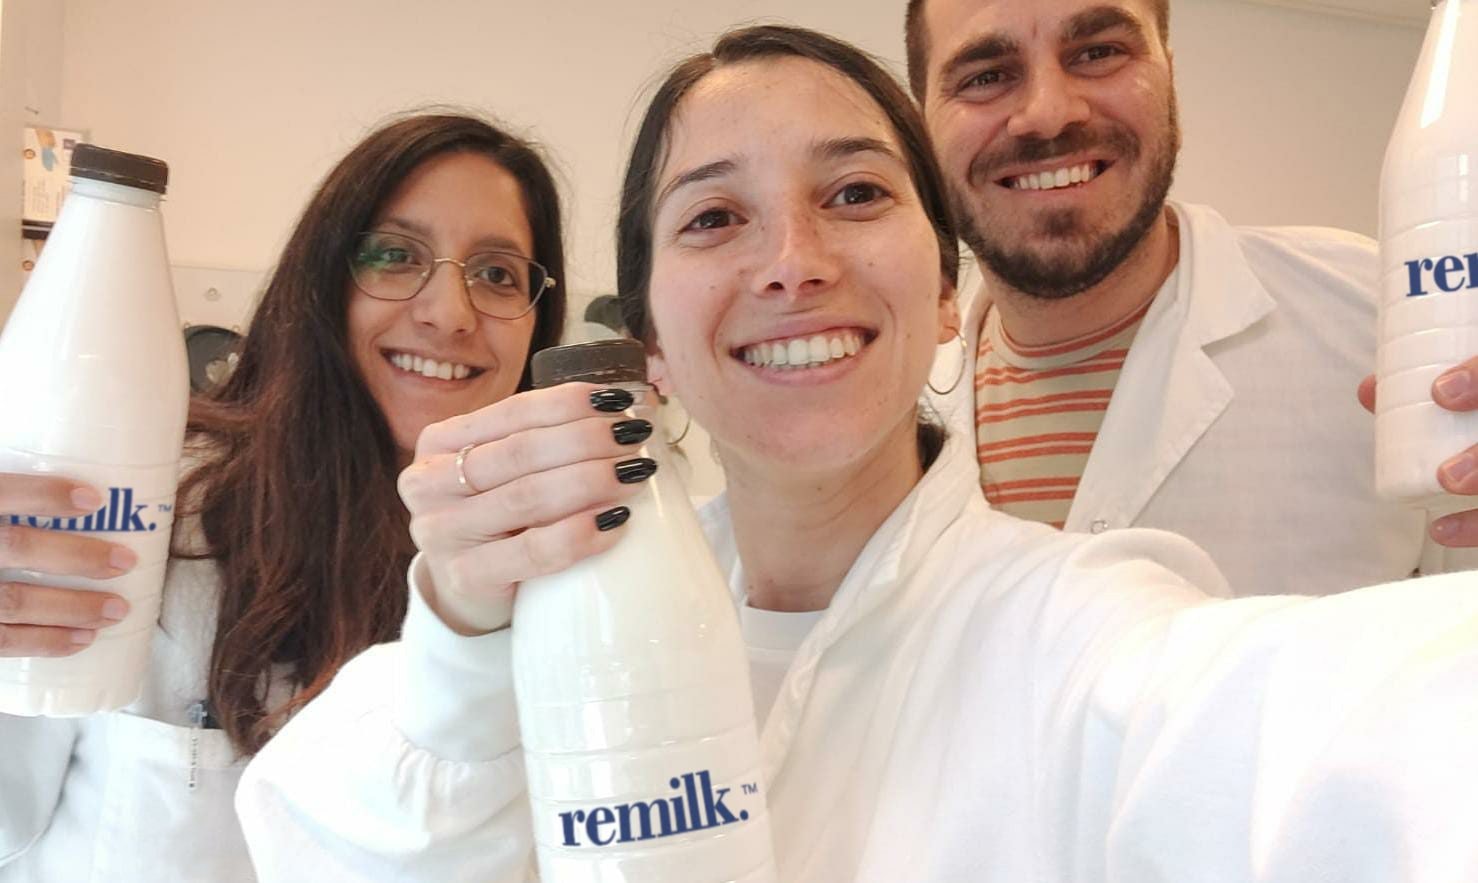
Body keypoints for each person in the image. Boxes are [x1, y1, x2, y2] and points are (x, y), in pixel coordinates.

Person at [237, 26, 1478, 882]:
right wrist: (459, 636)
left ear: (948, 294)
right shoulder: (565, 625)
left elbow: (1363, 735)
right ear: (649, 340)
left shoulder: (1082, 637)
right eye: (715, 216)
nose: (791, 261)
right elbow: (317, 850)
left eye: (854, 195)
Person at [0, 112, 570, 881]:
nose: (450, 312)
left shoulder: (563, 579)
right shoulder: (154, 509)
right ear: (323, 283)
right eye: (396, 256)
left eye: (498, 272)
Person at [903, 0, 1478, 594]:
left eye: (1099, 52)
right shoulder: (879, 403)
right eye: (986, 76)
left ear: (1168, 75)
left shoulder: (1384, 314)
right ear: (922, 126)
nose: (1049, 114)